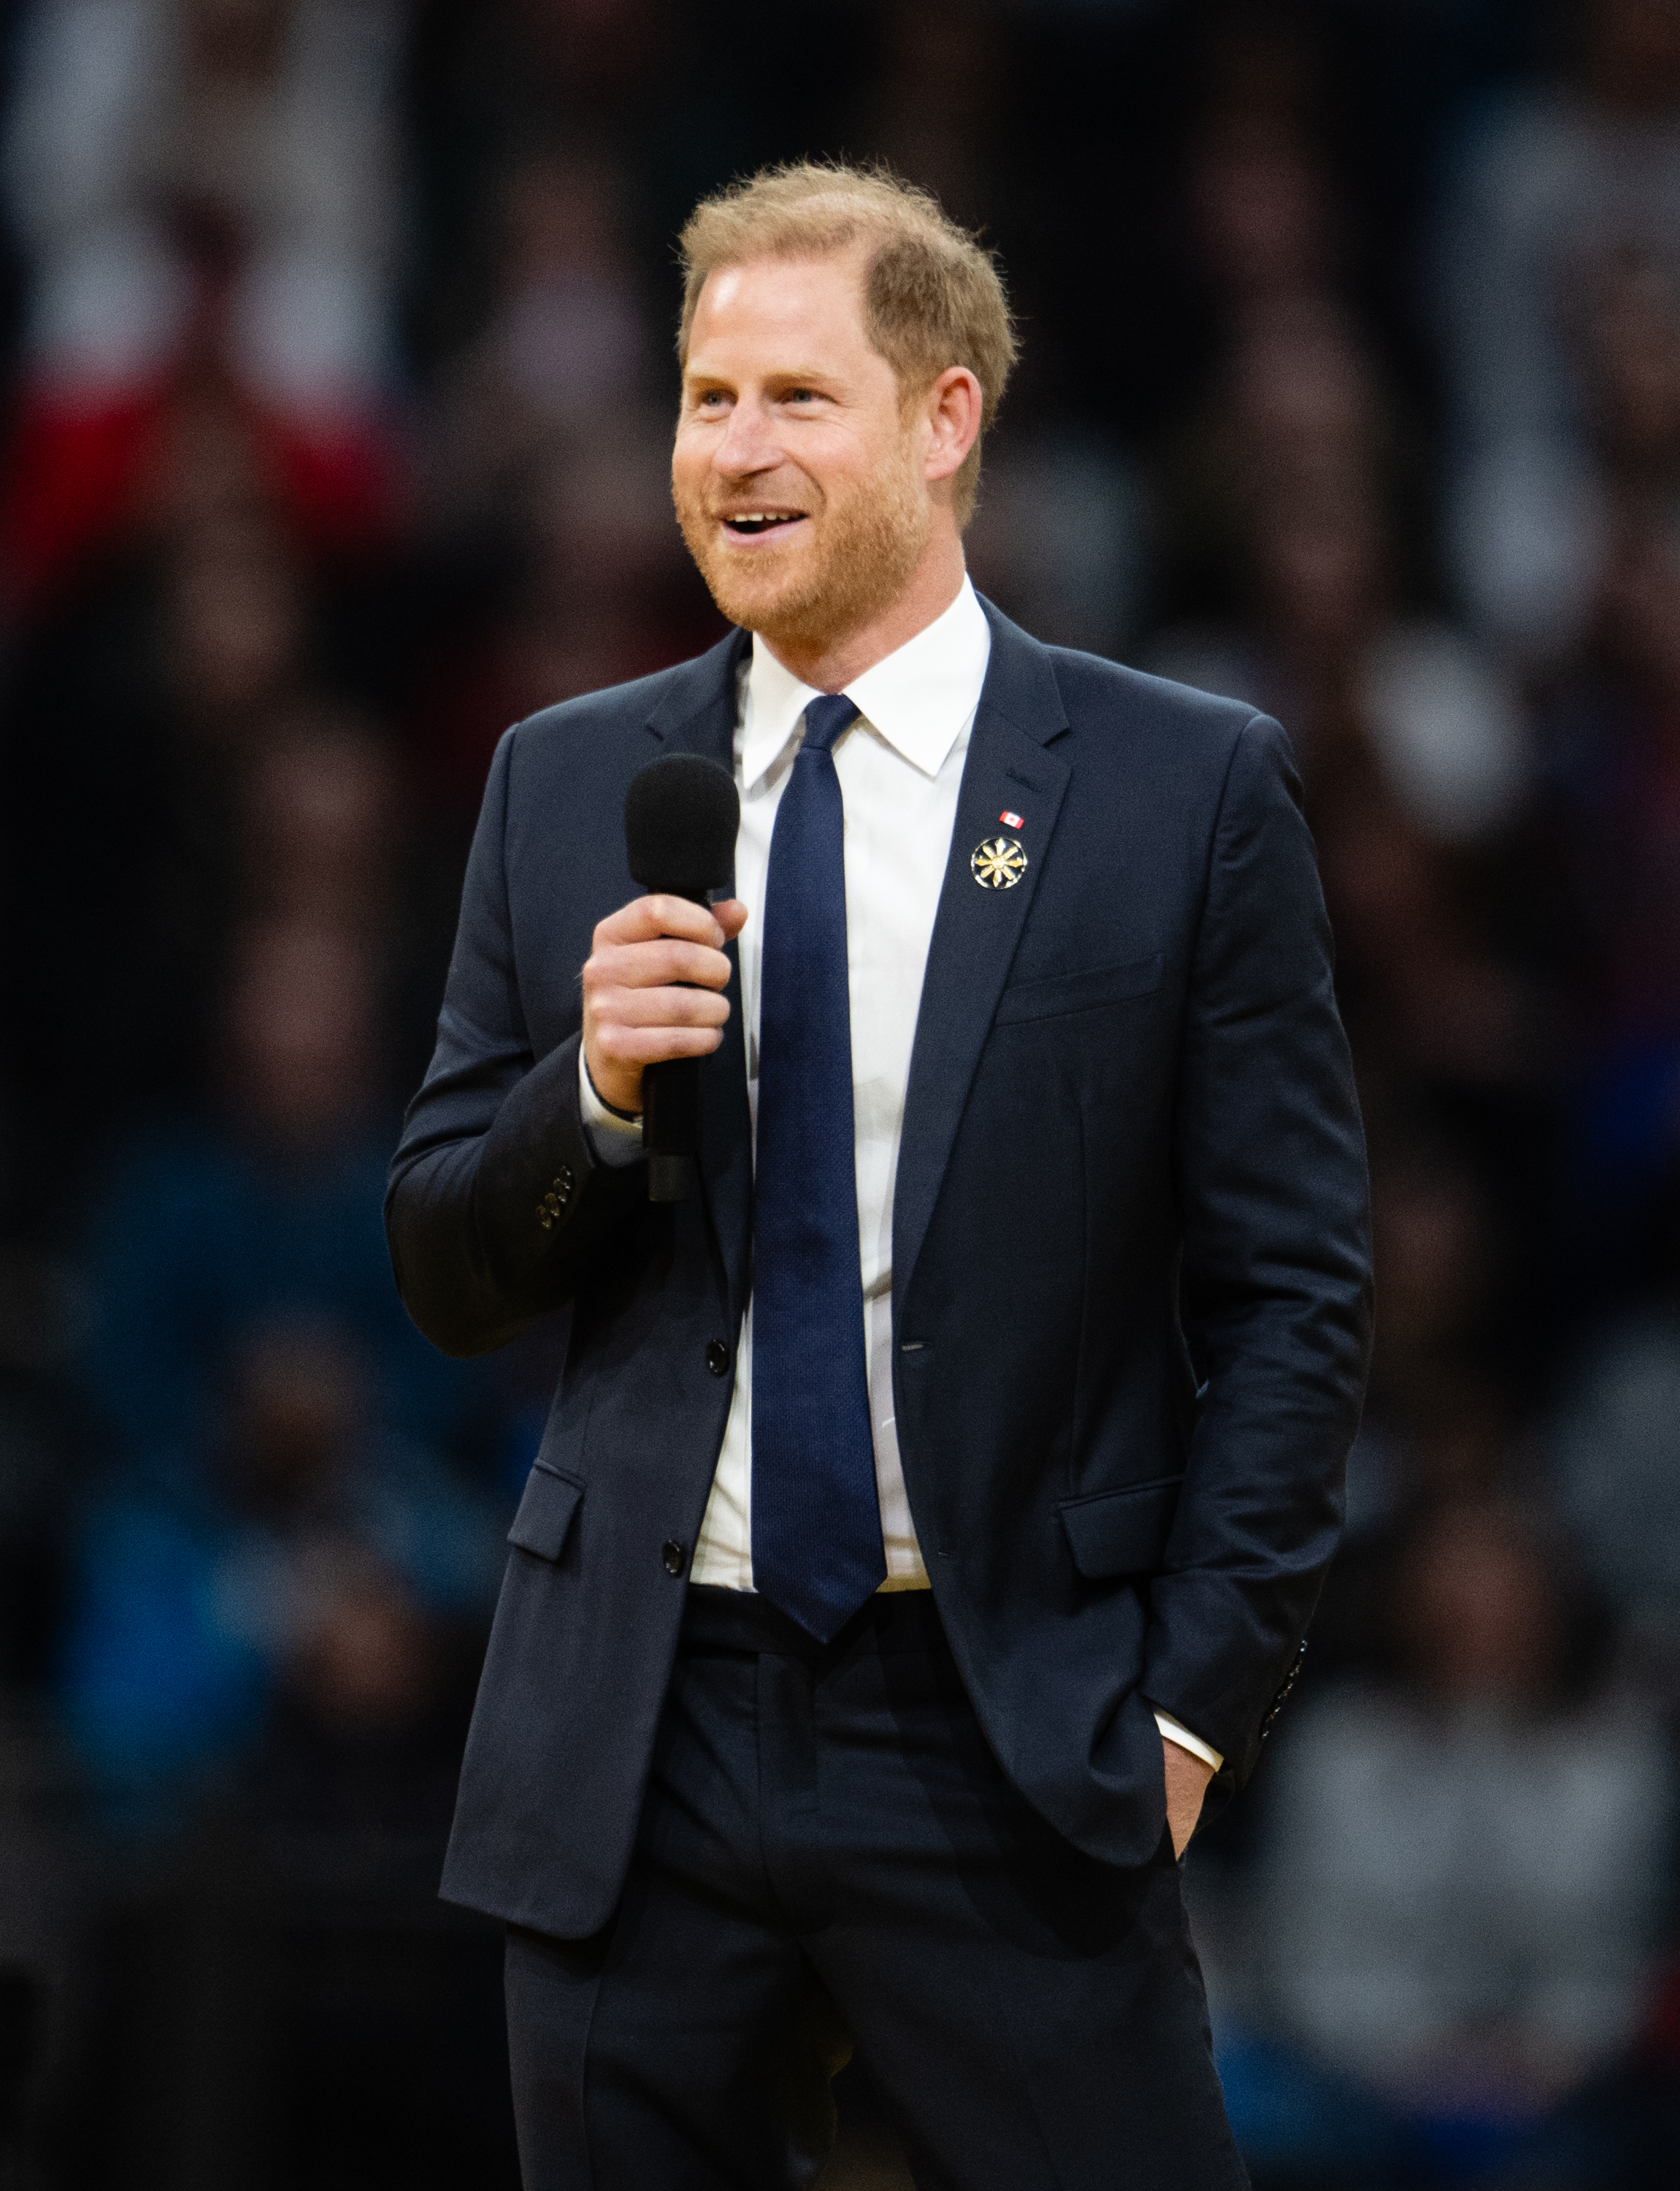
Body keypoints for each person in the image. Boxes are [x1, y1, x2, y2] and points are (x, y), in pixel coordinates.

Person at [386, 163, 1373, 2190]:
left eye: (795, 400)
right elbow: (445, 1268)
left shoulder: (1181, 790)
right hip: (643, 1730)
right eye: (704, 397)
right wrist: (584, 1093)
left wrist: (1190, 1710)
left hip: (1007, 1727)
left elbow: (1290, 1294)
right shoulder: (570, 782)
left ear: (944, 422)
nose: (732, 452)